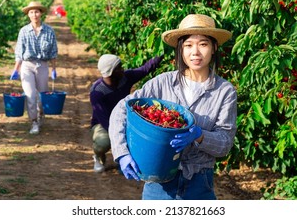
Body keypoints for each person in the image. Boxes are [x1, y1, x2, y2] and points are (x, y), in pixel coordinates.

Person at [109, 14, 237, 200]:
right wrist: (121, 153)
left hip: (199, 183)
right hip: (158, 184)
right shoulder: (162, 83)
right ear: (180, 49)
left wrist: (200, 136)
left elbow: (225, 143)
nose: (195, 52)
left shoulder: (224, 91)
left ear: (214, 47)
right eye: (188, 45)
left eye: (203, 44)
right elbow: (122, 108)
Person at [90, 54, 163, 173]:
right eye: (119, 67)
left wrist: (161, 54)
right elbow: (105, 121)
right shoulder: (97, 92)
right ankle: (98, 155)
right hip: (103, 124)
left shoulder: (126, 77)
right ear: (111, 72)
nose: (123, 69)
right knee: (103, 142)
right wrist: (121, 136)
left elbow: (145, 69)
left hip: (125, 118)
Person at [9, 1, 58, 135]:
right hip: (27, 65)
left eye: (36, 11)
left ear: (41, 13)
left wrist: (53, 69)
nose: (34, 14)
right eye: (31, 12)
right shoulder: (24, 31)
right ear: (28, 15)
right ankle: (34, 122)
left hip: (42, 65)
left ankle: (41, 114)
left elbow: (53, 51)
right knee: (30, 95)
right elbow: (19, 52)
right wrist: (16, 69)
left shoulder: (49, 31)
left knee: (42, 95)